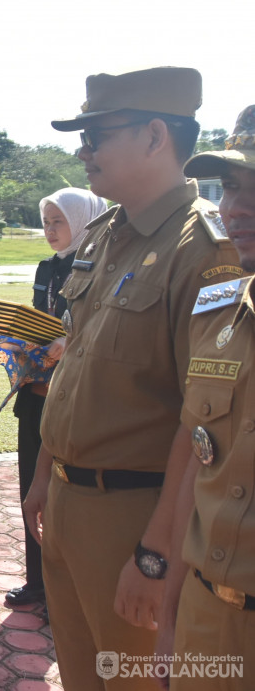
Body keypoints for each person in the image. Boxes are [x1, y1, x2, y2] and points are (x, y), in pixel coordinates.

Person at [23, 67, 241, 691]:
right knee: (81, 674)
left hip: (135, 514)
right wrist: (44, 475)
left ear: (153, 136)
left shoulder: (205, 250)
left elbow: (203, 419)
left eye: (97, 135)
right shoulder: (104, 235)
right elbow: (76, 368)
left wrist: (155, 552)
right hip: (67, 501)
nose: (82, 150)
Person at [156, 106, 255, 690]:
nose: (236, 208)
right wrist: (169, 623)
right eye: (234, 186)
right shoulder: (218, 310)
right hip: (205, 614)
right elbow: (199, 462)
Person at [6, 187, 106, 611]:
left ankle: (66, 590)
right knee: (33, 485)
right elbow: (36, 320)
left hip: (76, 397)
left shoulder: (100, 265)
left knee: (68, 496)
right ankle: (39, 582)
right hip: (36, 391)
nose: (49, 230)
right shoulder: (47, 267)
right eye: (46, 222)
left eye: (58, 221)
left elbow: (100, 327)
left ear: (83, 220)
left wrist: (68, 340)